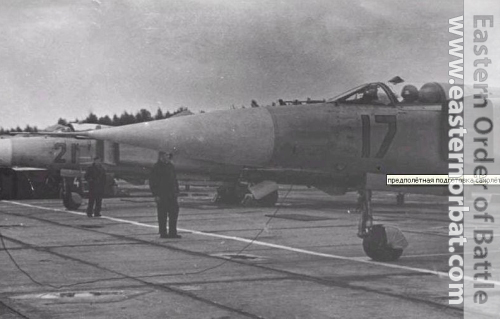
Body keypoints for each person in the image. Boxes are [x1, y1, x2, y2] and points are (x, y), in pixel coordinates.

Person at [149, 151, 181, 238]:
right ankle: (163, 233)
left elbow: (174, 179)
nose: (168, 157)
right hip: (162, 194)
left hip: (172, 194)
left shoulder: (170, 166)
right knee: (162, 215)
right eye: (166, 155)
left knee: (173, 214)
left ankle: (172, 232)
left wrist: (177, 191)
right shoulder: (156, 167)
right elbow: (152, 182)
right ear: (161, 156)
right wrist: (155, 194)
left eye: (168, 155)